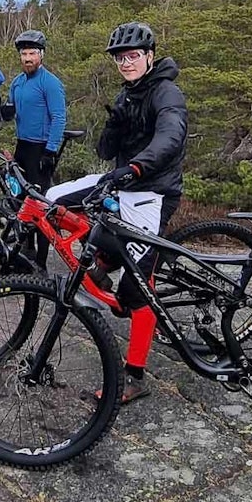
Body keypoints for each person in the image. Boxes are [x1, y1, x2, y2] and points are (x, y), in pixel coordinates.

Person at [46, 21, 187, 404]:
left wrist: (136, 167)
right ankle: (104, 263)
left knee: (135, 293)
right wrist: (114, 125)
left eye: (133, 56)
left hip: (152, 193)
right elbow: (107, 153)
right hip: (124, 182)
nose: (126, 63)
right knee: (51, 200)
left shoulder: (165, 92)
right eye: (121, 58)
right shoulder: (128, 94)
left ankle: (135, 377)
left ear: (149, 57)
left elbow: (170, 138)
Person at [4, 29, 67, 267]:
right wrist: (6, 113)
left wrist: (50, 150)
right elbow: (11, 110)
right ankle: (27, 249)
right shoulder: (18, 82)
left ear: (41, 55)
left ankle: (41, 259)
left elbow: (59, 117)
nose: (27, 58)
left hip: (41, 149)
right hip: (22, 146)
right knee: (20, 199)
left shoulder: (50, 83)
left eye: (32, 53)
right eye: (24, 54)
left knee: (40, 204)